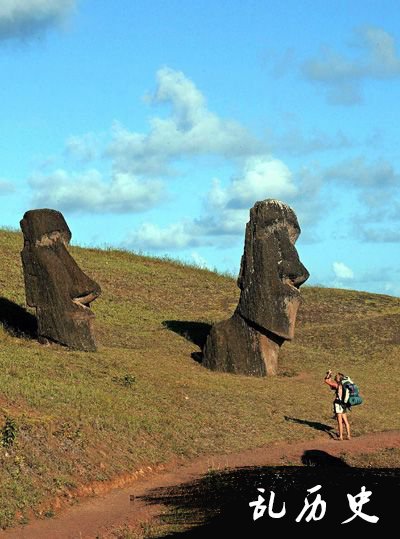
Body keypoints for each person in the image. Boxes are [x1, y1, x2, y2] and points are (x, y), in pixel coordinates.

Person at [324, 370, 351, 441]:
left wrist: (329, 374)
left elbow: (326, 381)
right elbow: (330, 383)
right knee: (345, 420)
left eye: (337, 376)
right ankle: (348, 435)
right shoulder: (344, 385)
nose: (336, 376)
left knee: (339, 421)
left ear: (338, 379)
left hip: (338, 404)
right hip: (344, 404)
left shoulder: (337, 385)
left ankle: (341, 436)